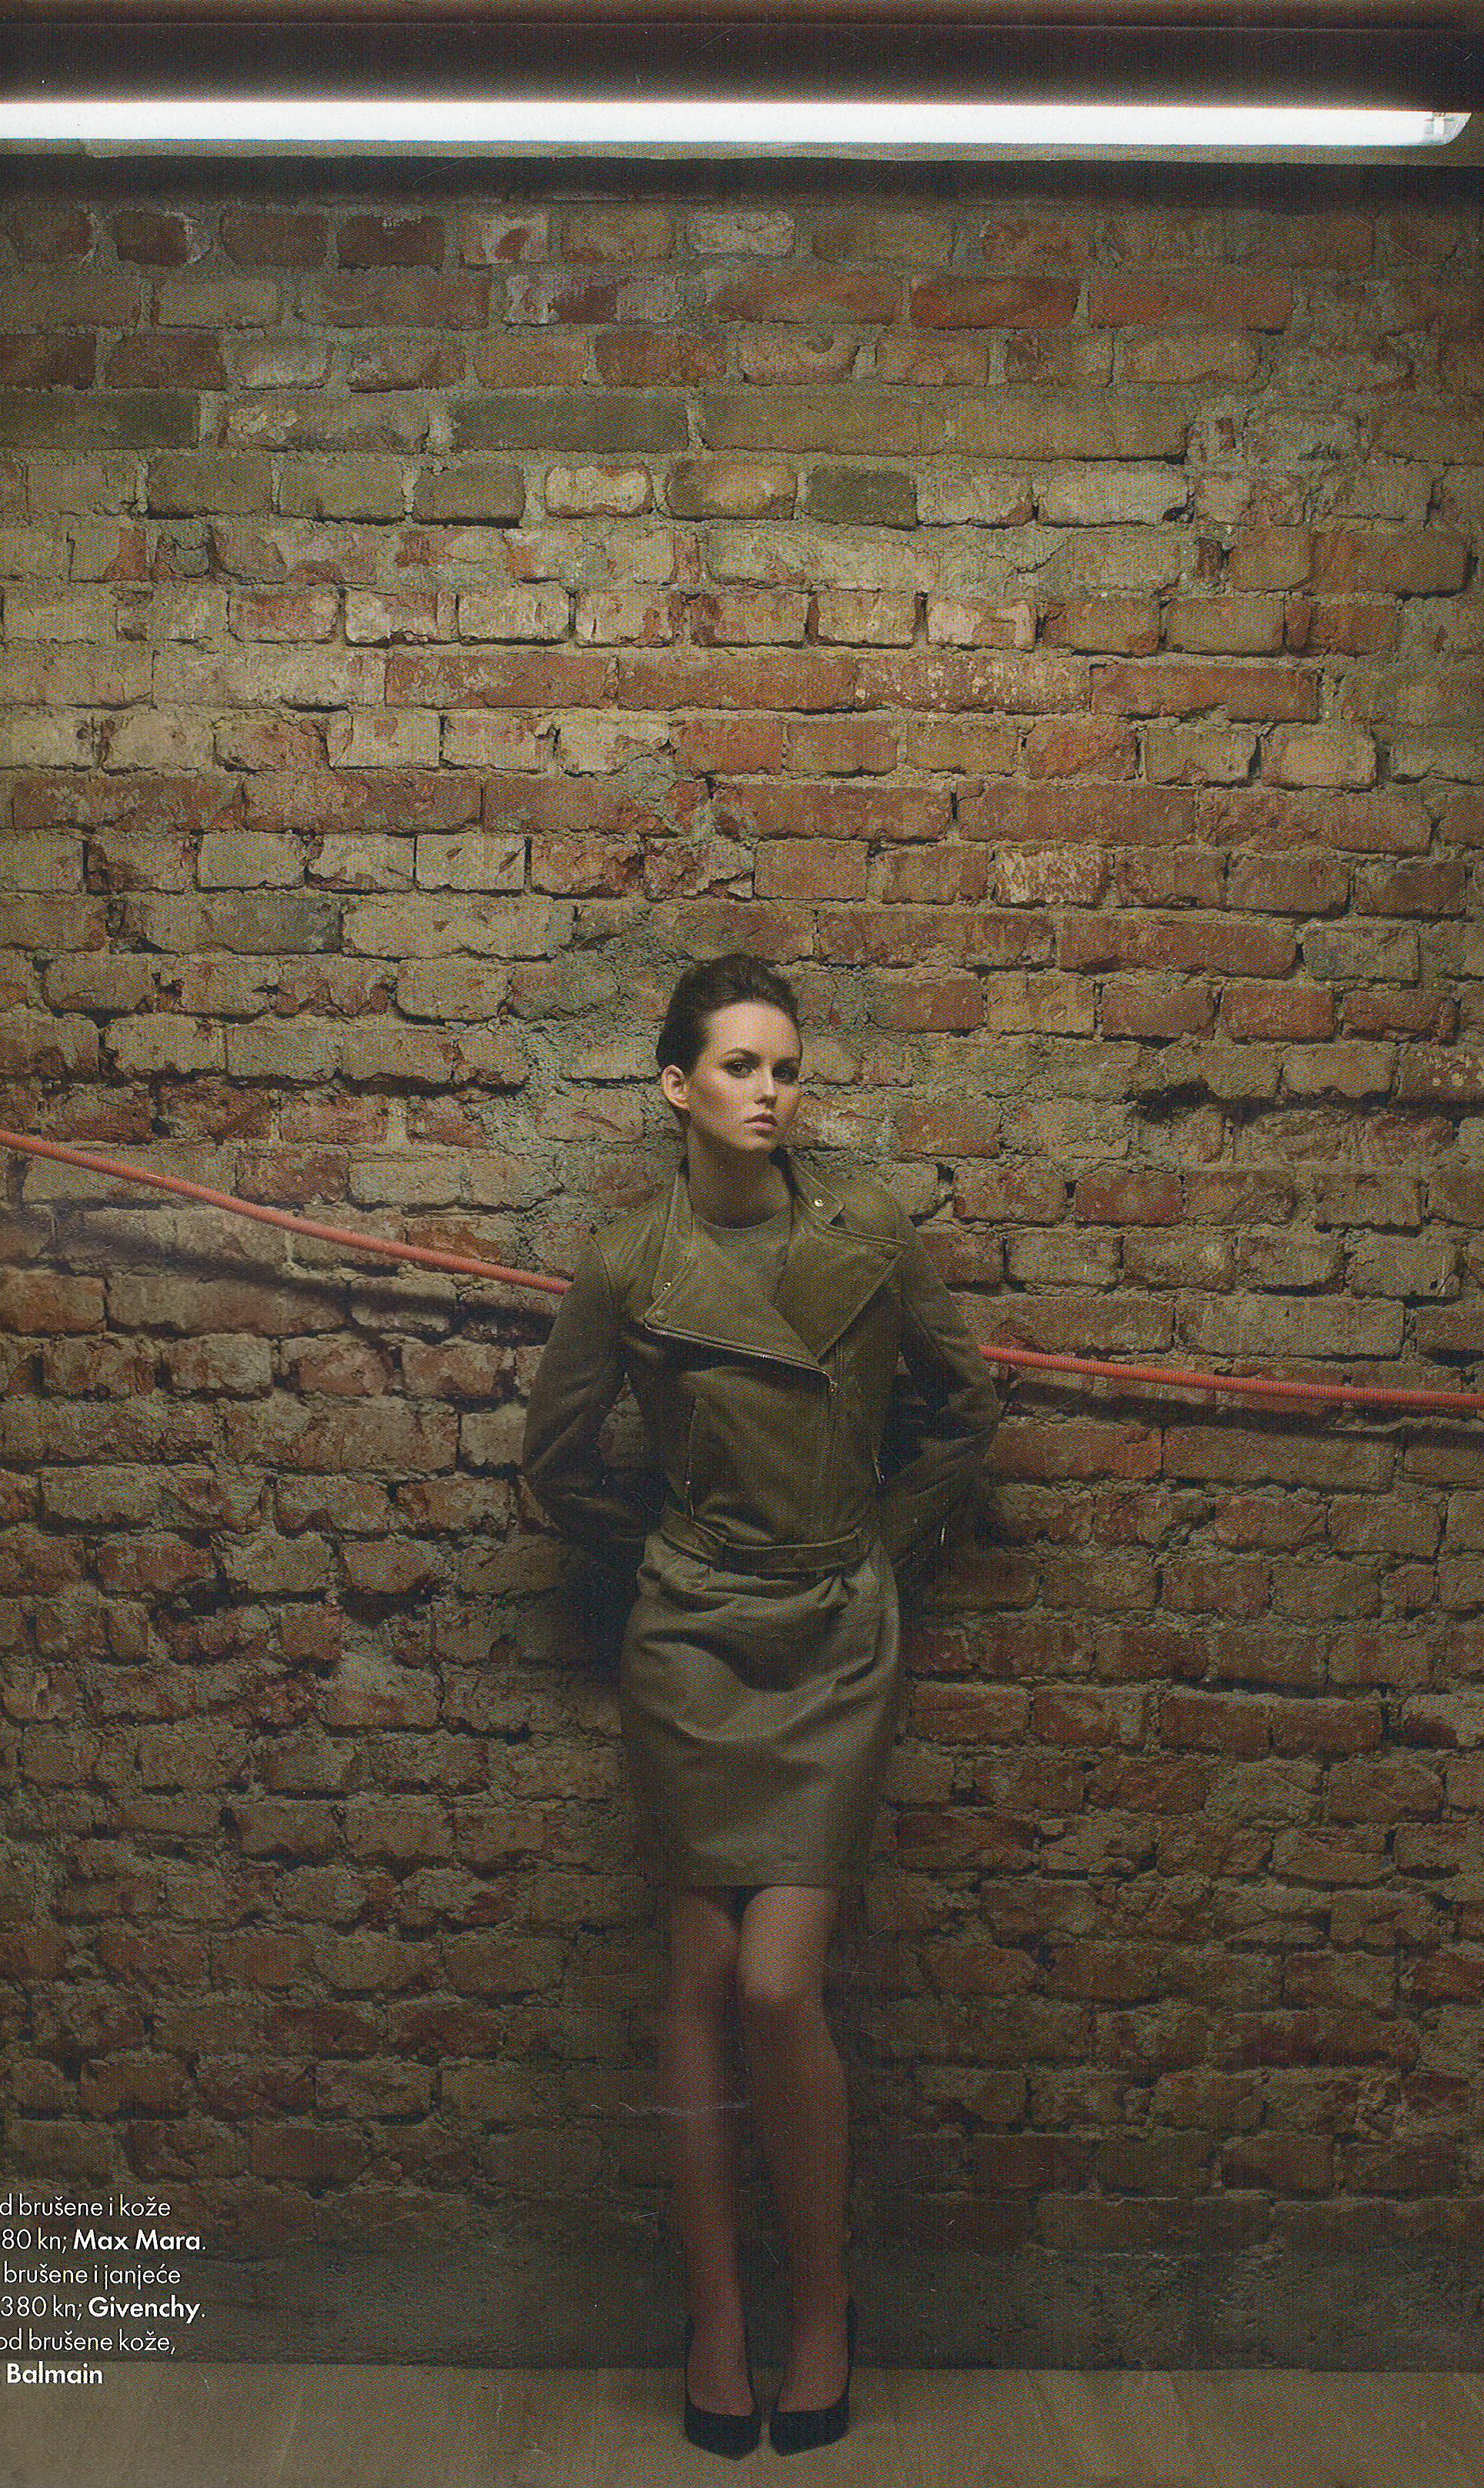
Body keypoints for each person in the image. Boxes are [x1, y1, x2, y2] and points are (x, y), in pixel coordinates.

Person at [520, 950, 1002, 2456]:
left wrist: (874, 1544)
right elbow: (552, 1465)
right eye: (739, 1065)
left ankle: (824, 2306)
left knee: (778, 1985)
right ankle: (719, 2315)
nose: (769, 1091)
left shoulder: (868, 1228)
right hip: (691, 1639)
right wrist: (675, 1558)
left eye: (785, 1068)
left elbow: (967, 1406)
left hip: (832, 1630)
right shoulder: (627, 1263)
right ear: (676, 1086)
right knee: (699, 1971)